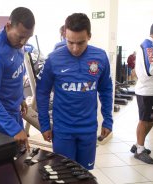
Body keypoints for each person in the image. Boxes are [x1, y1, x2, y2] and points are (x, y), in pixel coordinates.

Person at [36, 13, 113, 170]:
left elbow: (106, 90)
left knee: (84, 175)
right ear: (64, 34)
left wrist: (108, 119)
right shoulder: (53, 59)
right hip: (63, 130)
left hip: (88, 130)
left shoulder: (100, 57)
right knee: (64, 174)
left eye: (81, 43)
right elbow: (42, 93)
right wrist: (44, 124)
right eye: (70, 42)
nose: (75, 48)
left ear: (89, 36)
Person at [0, 7, 35, 149]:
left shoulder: (17, 42)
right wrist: (14, 129)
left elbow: (13, 74)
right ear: (8, 26)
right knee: (1, 163)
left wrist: (21, 97)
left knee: (18, 159)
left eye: (28, 37)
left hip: (13, 110)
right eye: (20, 36)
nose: (23, 42)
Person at [130, 21, 153, 164]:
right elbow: (150, 70)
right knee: (144, 120)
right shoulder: (148, 46)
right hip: (147, 92)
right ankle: (140, 150)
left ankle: (137, 144)